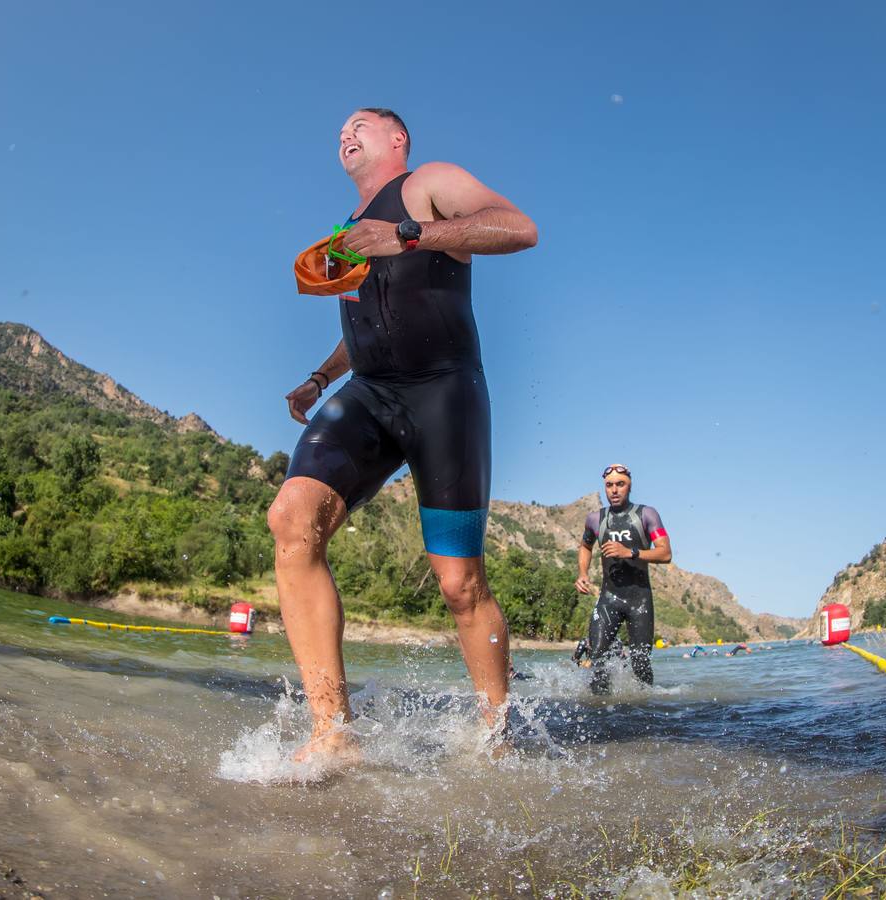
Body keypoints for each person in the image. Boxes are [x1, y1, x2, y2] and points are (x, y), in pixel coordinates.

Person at [266, 108, 538, 763]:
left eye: (358, 125)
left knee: (459, 586)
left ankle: (496, 737)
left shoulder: (427, 185)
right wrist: (320, 376)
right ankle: (334, 733)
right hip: (370, 394)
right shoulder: (352, 231)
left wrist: (409, 235)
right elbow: (366, 316)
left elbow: (518, 228)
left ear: (396, 139)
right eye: (337, 132)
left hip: (445, 394)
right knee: (292, 520)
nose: (343, 135)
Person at [575, 465, 672, 694]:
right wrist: (583, 573)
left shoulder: (647, 515)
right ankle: (601, 713)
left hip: (639, 600)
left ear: (629, 486)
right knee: (597, 658)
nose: (614, 490)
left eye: (620, 484)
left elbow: (665, 553)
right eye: (609, 485)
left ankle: (643, 709)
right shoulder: (595, 519)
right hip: (609, 598)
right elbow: (585, 546)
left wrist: (630, 552)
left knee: (639, 663)